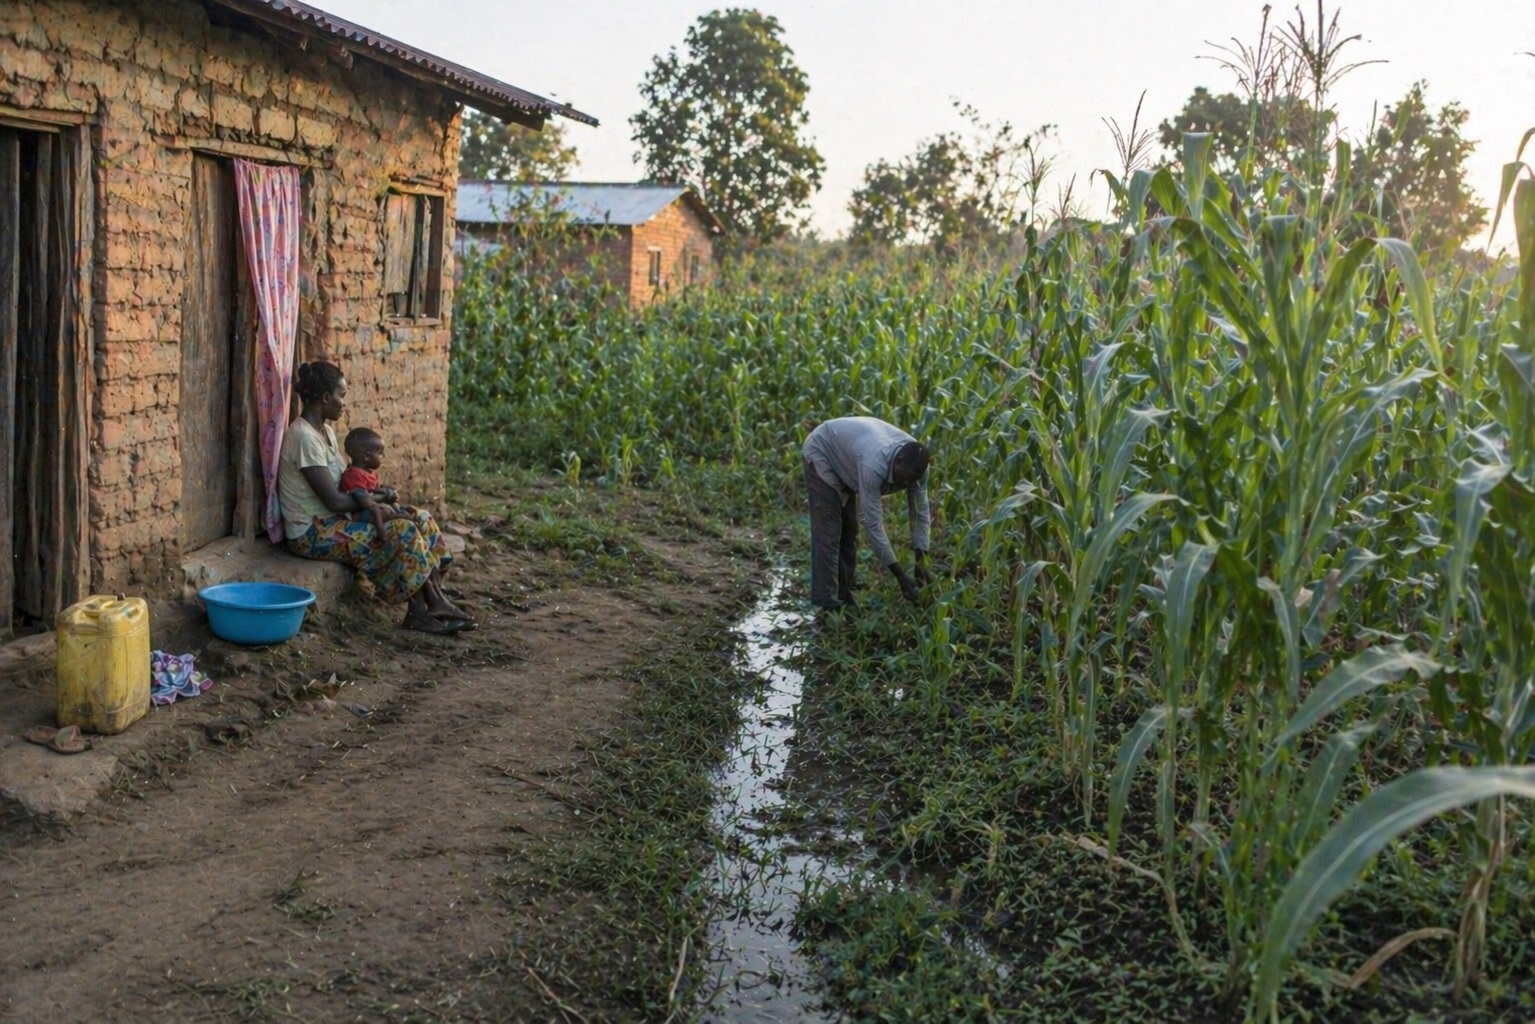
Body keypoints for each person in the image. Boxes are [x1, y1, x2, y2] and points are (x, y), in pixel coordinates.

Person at [277, 361, 475, 634]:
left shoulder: (326, 433)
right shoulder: (303, 438)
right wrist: (376, 501)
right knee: (401, 530)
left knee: (422, 518)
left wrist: (376, 497)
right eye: (341, 396)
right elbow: (334, 501)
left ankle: (431, 602)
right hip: (311, 532)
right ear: (325, 398)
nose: (343, 403)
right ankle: (430, 606)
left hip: (336, 520)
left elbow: (345, 490)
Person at [802, 416, 932, 612]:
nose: (905, 485)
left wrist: (922, 562)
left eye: (911, 482)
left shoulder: (918, 469)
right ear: (897, 462)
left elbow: (920, 514)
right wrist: (900, 576)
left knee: (850, 529)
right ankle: (830, 605)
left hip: (851, 456)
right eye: (903, 479)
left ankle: (844, 592)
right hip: (824, 451)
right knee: (829, 533)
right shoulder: (874, 465)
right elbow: (873, 525)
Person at [339, 427, 397, 540]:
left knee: (390, 502)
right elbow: (364, 501)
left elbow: (374, 491)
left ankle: (400, 514)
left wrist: (387, 492)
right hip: (357, 515)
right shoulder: (353, 475)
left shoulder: (370, 474)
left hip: (370, 508)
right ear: (366, 456)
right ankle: (381, 531)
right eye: (380, 453)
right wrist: (383, 497)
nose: (383, 457)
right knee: (376, 509)